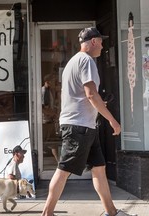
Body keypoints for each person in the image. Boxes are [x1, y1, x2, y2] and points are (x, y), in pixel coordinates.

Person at [41, 27, 137, 216]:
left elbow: (83, 96)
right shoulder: (87, 61)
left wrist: (100, 105)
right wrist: (112, 120)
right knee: (63, 170)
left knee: (99, 169)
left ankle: (112, 212)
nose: (102, 45)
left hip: (85, 126)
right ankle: (47, 213)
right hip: (79, 126)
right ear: (93, 41)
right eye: (101, 41)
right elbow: (91, 94)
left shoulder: (72, 62)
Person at [42, 75, 59, 163]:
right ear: (48, 81)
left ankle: (58, 161)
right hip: (44, 122)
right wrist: (52, 113)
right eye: (52, 81)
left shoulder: (50, 92)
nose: (54, 84)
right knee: (45, 142)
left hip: (50, 121)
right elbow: (42, 108)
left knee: (53, 143)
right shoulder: (43, 92)